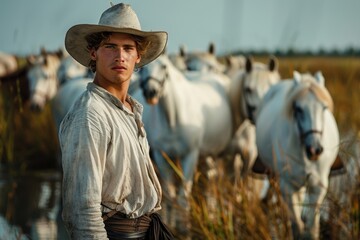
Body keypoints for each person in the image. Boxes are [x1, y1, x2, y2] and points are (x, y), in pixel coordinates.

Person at [59, 3, 174, 239]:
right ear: (94, 52)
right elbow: (82, 211)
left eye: (128, 48)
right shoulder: (90, 115)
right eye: (110, 46)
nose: (120, 56)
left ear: (138, 55)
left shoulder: (130, 109)